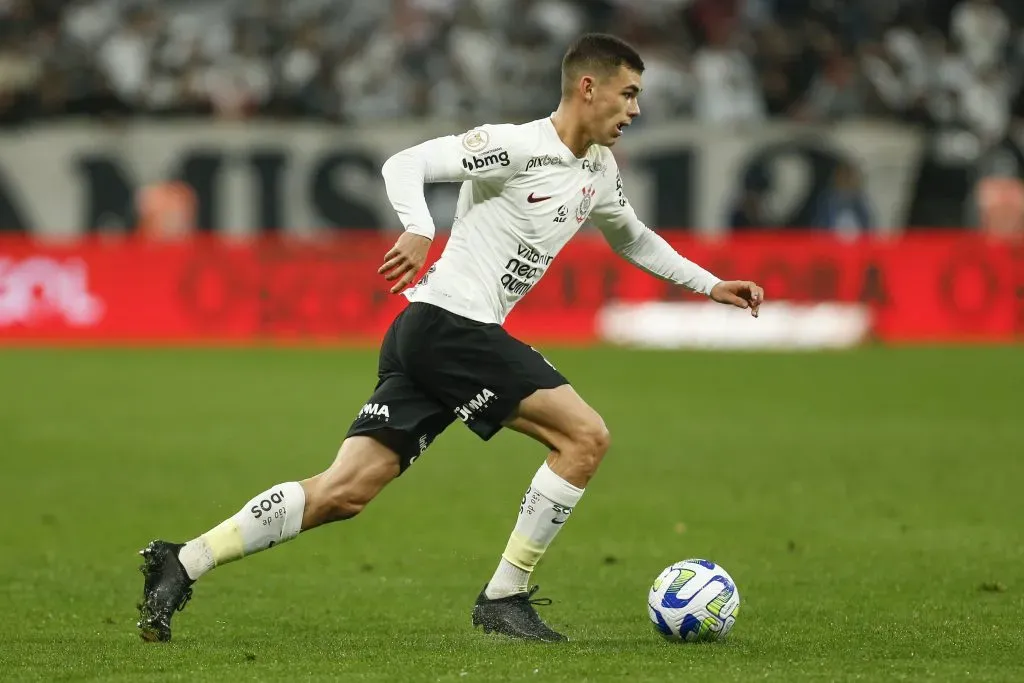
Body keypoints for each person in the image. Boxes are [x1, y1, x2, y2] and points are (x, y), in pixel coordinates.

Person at [136, 33, 765, 644]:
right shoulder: (515, 146)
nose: (635, 109)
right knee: (584, 436)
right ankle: (504, 597)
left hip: (428, 334)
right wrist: (418, 227)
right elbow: (405, 162)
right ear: (588, 86)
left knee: (344, 491)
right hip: (451, 326)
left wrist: (709, 285)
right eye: (628, 94)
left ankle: (183, 560)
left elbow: (633, 237)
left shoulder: (598, 170)